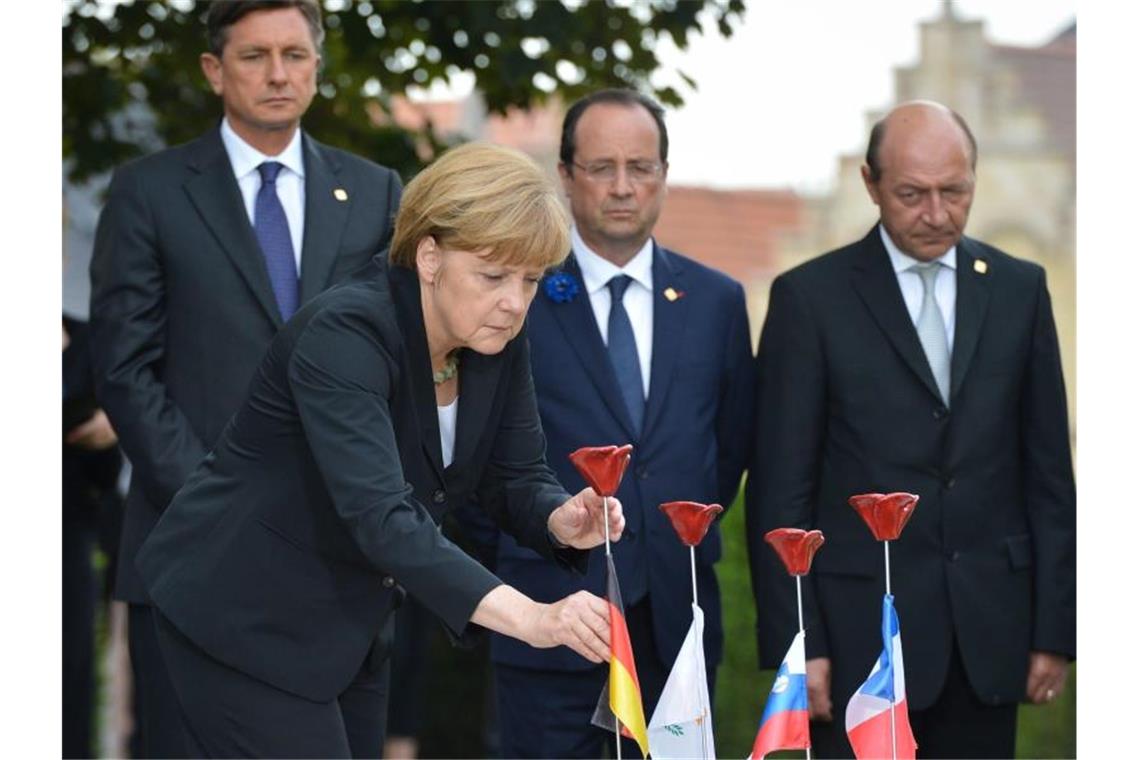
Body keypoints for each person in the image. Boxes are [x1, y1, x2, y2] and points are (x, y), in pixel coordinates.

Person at [133, 141, 625, 758]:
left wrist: (560, 518)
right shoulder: (346, 332)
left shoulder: (496, 340)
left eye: (531, 280)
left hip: (349, 627)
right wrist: (532, 618)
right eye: (494, 275)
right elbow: (382, 516)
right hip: (239, 613)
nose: (514, 302)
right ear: (429, 256)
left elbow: (515, 473)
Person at [88, 1, 402, 755]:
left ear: (318, 68)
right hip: (189, 552)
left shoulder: (376, 193)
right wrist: (221, 504)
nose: (277, 73)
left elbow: (394, 364)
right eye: (255, 55)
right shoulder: (149, 192)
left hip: (333, 560)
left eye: (295, 54)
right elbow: (125, 370)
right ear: (213, 69)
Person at [746, 100, 1075, 758]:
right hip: (858, 646)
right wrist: (799, 642)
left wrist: (1055, 629)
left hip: (988, 635)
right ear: (870, 184)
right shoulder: (809, 299)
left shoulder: (1020, 290)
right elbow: (781, 488)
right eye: (911, 193)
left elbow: (1047, 474)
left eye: (955, 191)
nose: (936, 213)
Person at [487, 89, 755, 757]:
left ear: (664, 173)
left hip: (675, 623)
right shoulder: (519, 294)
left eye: (641, 167)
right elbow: (480, 459)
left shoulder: (716, 301)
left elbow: (727, 451)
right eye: (601, 167)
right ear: (567, 175)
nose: (622, 187)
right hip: (550, 619)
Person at [62, 315, 124, 759]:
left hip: (70, 537)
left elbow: (105, 476)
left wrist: (105, 436)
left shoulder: (84, 340)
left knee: (70, 685)